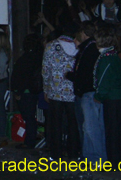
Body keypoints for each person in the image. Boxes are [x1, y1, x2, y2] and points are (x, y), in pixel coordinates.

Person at [66, 22, 105, 162]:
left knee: (91, 127)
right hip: (85, 92)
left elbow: (85, 73)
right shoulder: (86, 48)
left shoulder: (90, 49)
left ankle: (97, 158)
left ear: (83, 33)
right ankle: (88, 157)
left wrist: (71, 76)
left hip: (89, 93)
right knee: (86, 127)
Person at [94, 25, 121, 167]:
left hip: (113, 99)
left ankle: (113, 163)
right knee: (120, 131)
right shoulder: (113, 55)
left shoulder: (106, 58)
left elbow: (103, 81)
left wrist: (99, 95)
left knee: (112, 131)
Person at [42, 28, 80, 159]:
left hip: (55, 91)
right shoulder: (79, 46)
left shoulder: (50, 46)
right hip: (72, 92)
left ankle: (56, 153)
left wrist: (46, 89)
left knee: (56, 124)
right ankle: (73, 152)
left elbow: (45, 69)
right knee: (73, 124)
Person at [11, 34, 43, 149]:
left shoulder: (24, 59)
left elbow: (19, 77)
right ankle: (30, 139)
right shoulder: (38, 57)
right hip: (34, 90)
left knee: (28, 117)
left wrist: (17, 91)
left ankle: (29, 142)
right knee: (30, 117)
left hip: (25, 92)